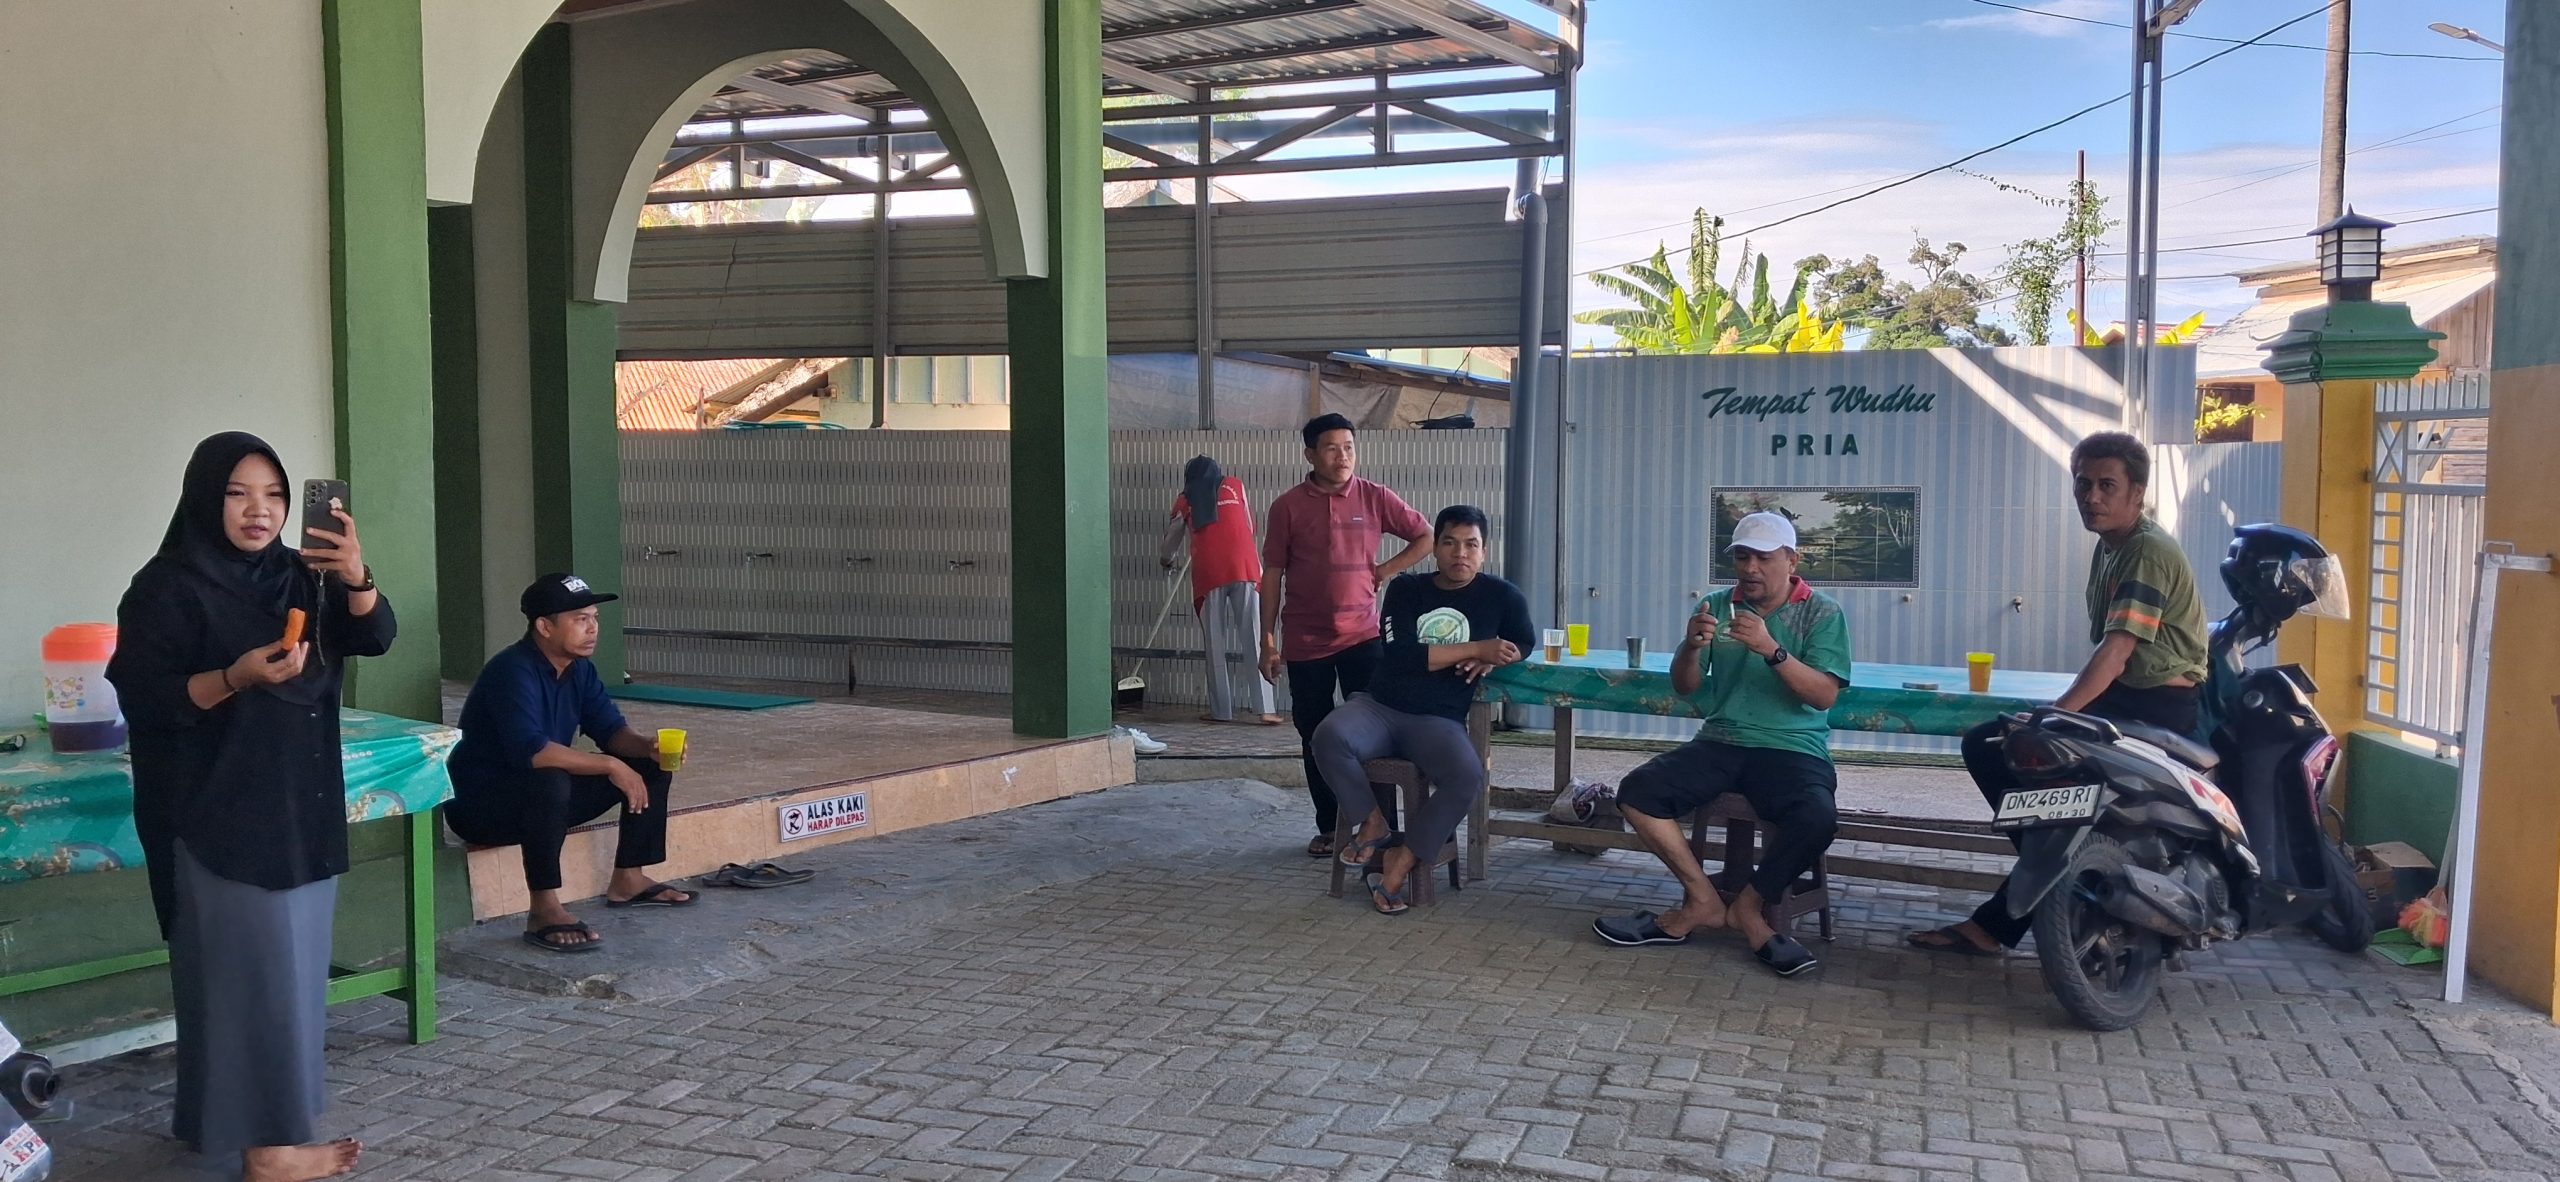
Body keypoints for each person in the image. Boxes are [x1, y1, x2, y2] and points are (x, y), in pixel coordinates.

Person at [107, 432, 395, 1182]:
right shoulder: (166, 587)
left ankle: (221, 1125)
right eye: (237, 494)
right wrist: (234, 678)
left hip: (298, 801)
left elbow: (374, 636)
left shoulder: (303, 576)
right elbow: (147, 700)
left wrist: (357, 576)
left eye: (273, 495)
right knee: (246, 981)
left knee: (285, 979)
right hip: (215, 812)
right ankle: (269, 1152)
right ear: (206, 499)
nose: (258, 511)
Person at [1909, 431, 2210, 957]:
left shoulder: (2146, 551)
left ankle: (2035, 895)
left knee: (2004, 750)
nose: (2091, 496)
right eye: (2083, 484)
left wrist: (2052, 716)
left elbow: (2116, 652)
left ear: (2138, 492)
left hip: (2156, 710)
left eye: (2107, 485)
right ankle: (2058, 878)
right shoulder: (2112, 546)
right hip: (2127, 699)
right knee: (2014, 768)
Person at [1592, 512, 1850, 978]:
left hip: (1793, 746)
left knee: (1817, 817)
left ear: (1791, 561)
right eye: (1742, 557)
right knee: (1638, 791)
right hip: (1722, 738)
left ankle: (1749, 909)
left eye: (1763, 558)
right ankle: (1703, 900)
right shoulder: (1716, 604)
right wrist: (1691, 647)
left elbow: (1823, 695)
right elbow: (1686, 687)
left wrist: (1771, 649)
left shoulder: (1822, 611)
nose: (1751, 568)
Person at [444, 574, 694, 954]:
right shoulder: (511, 670)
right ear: (545, 627)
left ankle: (629, 878)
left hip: (542, 803)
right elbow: (533, 752)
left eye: (594, 618)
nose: (592, 629)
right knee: (551, 778)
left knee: (649, 765)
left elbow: (611, 732)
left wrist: (648, 748)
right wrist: (611, 765)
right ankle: (544, 908)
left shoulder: (580, 670)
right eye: (580, 619)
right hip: (482, 809)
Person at [1310, 505, 1534, 914]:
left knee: (1466, 777)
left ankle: (1402, 860)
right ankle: (1372, 821)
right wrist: (1476, 647)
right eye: (1450, 543)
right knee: (1328, 736)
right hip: (1381, 707)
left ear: (1484, 551)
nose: (1460, 553)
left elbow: (1524, 641)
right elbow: (1402, 656)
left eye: (1471, 545)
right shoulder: (1407, 589)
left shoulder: (1503, 596)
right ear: (1435, 548)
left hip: (1438, 719)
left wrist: (1497, 658)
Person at [1259, 413, 1433, 858]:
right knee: (1315, 735)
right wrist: (1267, 641)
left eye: (1349, 447)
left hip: (1363, 639)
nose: (1343, 457)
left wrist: (1385, 570)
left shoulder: (1375, 496)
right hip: (1305, 643)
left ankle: (1382, 826)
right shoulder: (1287, 507)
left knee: (1375, 735)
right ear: (1310, 455)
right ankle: (1330, 828)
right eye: (1332, 448)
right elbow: (1272, 574)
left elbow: (1425, 536)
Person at [1159, 455, 1280, 726]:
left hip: (1209, 573)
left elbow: (1171, 540)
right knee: (1254, 638)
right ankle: (1266, 710)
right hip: (1246, 568)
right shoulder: (1235, 485)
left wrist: (1166, 560)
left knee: (1214, 645)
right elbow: (1250, 524)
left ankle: (1221, 711)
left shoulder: (1185, 500)